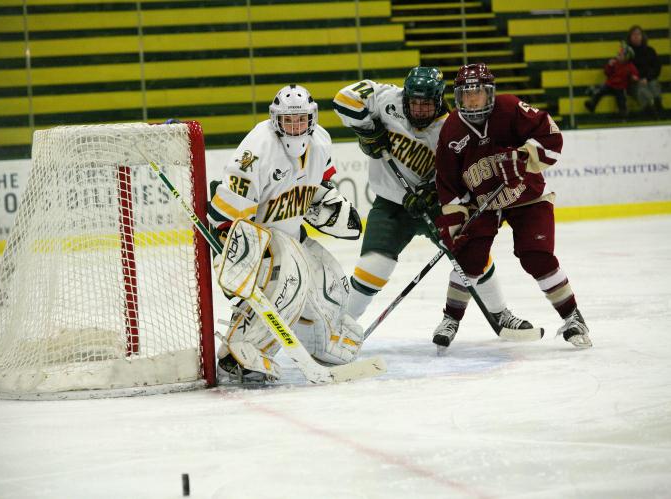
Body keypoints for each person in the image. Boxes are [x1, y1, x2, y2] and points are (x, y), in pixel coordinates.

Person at [332, 66, 535, 348]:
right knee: (374, 265)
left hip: (438, 206)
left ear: (439, 100)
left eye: (426, 104)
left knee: (474, 255)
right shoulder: (387, 98)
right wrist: (368, 129)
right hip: (391, 203)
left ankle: (500, 313)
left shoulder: (454, 126)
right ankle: (338, 327)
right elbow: (344, 98)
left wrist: (433, 190)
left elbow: (467, 174)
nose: (419, 110)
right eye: (414, 102)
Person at [207, 84, 364, 382]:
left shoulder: (321, 142)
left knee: (332, 286)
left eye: (301, 119)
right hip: (259, 239)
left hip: (294, 234)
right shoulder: (259, 146)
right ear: (275, 119)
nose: (295, 127)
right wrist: (236, 253)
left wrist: (329, 205)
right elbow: (227, 212)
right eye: (288, 120)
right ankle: (238, 353)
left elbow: (322, 185)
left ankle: (322, 342)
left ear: (312, 118)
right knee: (290, 284)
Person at [433, 62, 592, 349]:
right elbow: (447, 182)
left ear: (489, 93)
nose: (471, 99)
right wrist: (453, 224)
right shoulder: (452, 129)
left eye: (477, 93)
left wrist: (522, 157)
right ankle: (451, 318)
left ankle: (573, 317)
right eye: (466, 94)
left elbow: (551, 138)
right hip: (484, 204)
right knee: (468, 258)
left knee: (536, 255)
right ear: (457, 97)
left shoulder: (510, 108)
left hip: (528, 197)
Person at [584, 41, 639, 119]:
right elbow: (607, 72)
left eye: (620, 55)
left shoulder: (630, 66)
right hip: (610, 84)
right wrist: (609, 65)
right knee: (599, 92)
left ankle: (623, 112)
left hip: (621, 87)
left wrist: (634, 78)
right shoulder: (614, 63)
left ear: (627, 57)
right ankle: (592, 104)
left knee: (621, 99)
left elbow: (635, 75)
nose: (618, 56)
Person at [626, 25, 663, 118]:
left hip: (649, 79)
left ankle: (658, 107)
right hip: (634, 82)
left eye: (638, 34)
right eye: (633, 34)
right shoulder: (627, 53)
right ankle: (650, 110)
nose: (636, 36)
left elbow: (657, 68)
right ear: (630, 37)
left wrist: (647, 78)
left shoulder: (650, 51)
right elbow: (623, 69)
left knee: (653, 84)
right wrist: (635, 78)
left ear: (642, 36)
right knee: (641, 89)